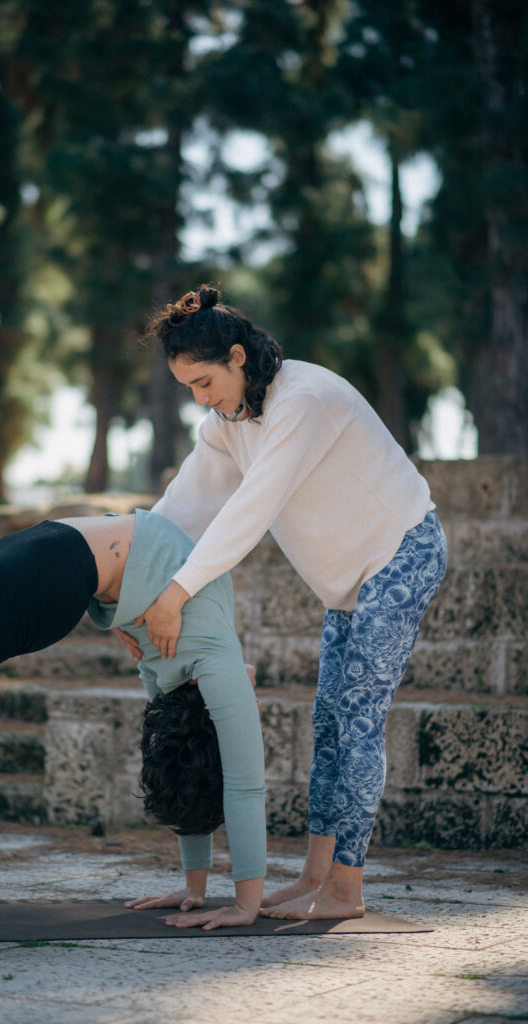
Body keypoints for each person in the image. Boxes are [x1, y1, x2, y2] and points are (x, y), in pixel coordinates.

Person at [120, 284, 448, 922]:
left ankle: (346, 890)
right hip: (347, 584)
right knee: (328, 724)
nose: (200, 398)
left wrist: (176, 594)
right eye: (188, 388)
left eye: (205, 381)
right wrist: (131, 589)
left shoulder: (303, 398)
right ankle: (314, 878)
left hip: (402, 552)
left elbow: (254, 506)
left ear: (238, 357)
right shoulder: (227, 424)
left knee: (357, 720)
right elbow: (179, 509)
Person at [0, 509, 265, 931]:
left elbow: (190, 788)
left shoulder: (178, 684)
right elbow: (244, 784)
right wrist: (246, 906)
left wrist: (194, 888)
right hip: (46, 556)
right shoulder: (216, 663)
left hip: (48, 566)